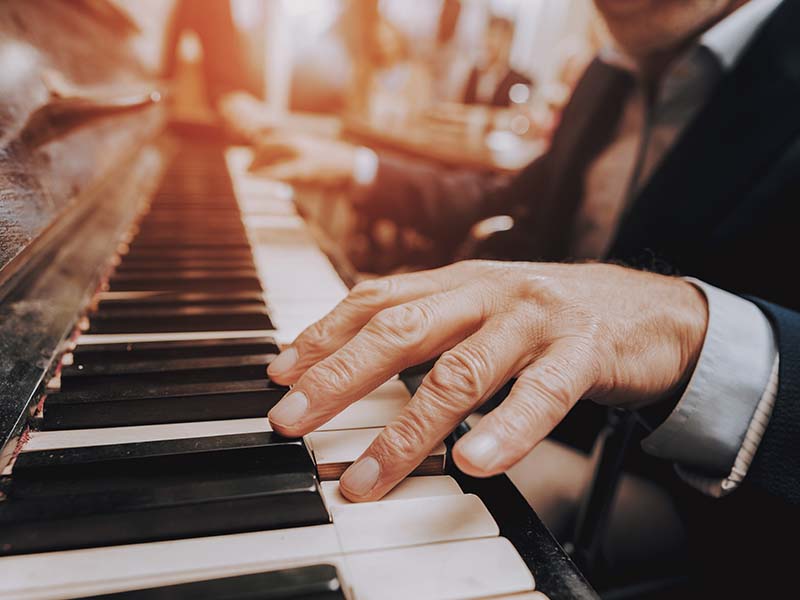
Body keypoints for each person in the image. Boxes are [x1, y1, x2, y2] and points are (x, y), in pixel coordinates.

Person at [260, 0, 799, 594]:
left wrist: (690, 332)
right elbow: (517, 203)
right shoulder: (608, 69)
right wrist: (362, 169)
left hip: (706, 496)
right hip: (524, 411)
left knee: (381, 547)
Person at [462, 15, 534, 108]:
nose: (492, 43)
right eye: (490, 36)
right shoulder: (474, 73)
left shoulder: (522, 81)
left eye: (499, 38)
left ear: (509, 42)